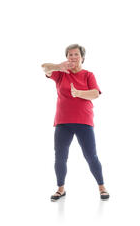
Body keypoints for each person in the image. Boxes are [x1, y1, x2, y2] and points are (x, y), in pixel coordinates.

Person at [41, 44, 109, 201]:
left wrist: (78, 93)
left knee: (91, 156)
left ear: (82, 57)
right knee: (60, 156)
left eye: (76, 54)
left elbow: (95, 93)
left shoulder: (88, 75)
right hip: (63, 122)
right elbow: (44, 68)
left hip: (83, 121)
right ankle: (60, 189)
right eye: (70, 55)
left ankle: (102, 187)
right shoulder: (61, 74)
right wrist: (58, 66)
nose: (73, 57)